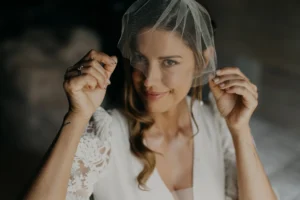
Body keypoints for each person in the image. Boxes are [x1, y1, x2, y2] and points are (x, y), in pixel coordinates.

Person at [25, 0, 278, 199]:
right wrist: (77, 116)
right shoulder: (106, 134)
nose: (148, 80)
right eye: (140, 59)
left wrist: (240, 129)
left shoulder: (217, 122)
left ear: (202, 59)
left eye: (169, 62)